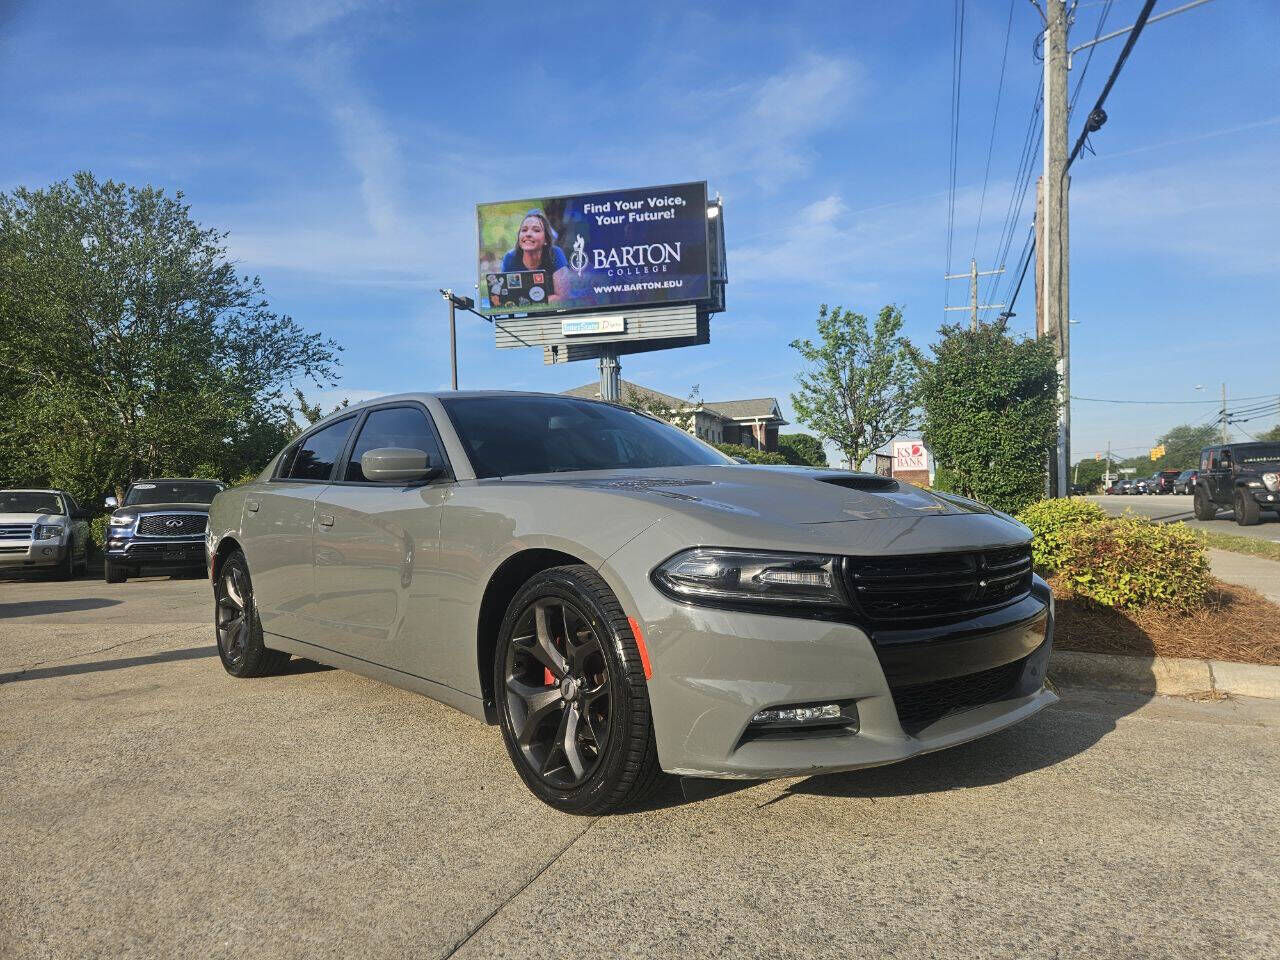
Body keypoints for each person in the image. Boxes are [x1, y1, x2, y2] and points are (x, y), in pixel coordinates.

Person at [497, 209, 571, 304]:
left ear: (546, 240)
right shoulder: (509, 258)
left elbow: (563, 297)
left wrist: (527, 303)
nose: (528, 234)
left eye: (536, 230)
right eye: (524, 230)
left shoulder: (556, 253)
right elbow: (505, 298)